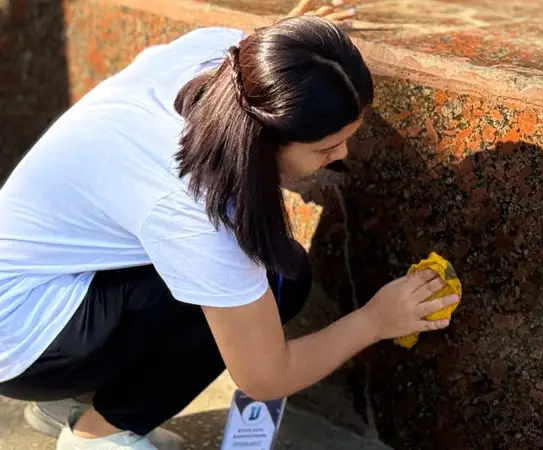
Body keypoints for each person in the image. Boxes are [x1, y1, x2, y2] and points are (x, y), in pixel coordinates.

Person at [0, 2, 459, 449]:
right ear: (263, 141)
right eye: (326, 148)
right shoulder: (201, 212)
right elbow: (266, 376)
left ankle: (69, 402)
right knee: (276, 279)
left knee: (265, 278)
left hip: (39, 277)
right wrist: (376, 319)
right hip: (24, 343)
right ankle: (98, 433)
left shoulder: (225, 57)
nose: (341, 156)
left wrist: (293, 55)